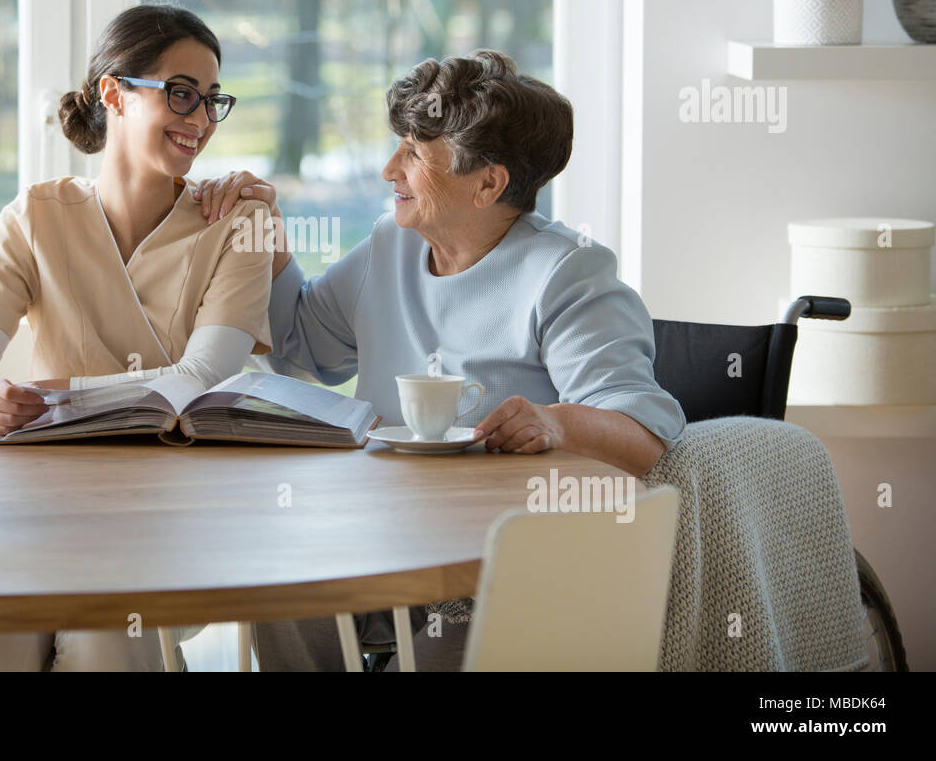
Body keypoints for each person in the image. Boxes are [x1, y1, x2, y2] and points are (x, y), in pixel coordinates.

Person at [190, 48, 686, 671]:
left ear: (489, 183)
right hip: (377, 530)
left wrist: (559, 421)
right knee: (287, 579)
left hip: (498, 554)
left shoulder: (567, 275)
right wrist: (275, 247)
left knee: (458, 620)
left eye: (415, 155)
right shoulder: (389, 244)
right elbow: (303, 349)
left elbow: (645, 440)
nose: (387, 168)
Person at [0, 3, 274, 671]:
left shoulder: (238, 222)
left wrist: (48, 398)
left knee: (102, 637)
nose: (201, 120)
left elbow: (196, 382)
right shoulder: (35, 216)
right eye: (181, 94)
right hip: (35, 514)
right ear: (114, 93)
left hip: (167, 516)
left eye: (211, 101)